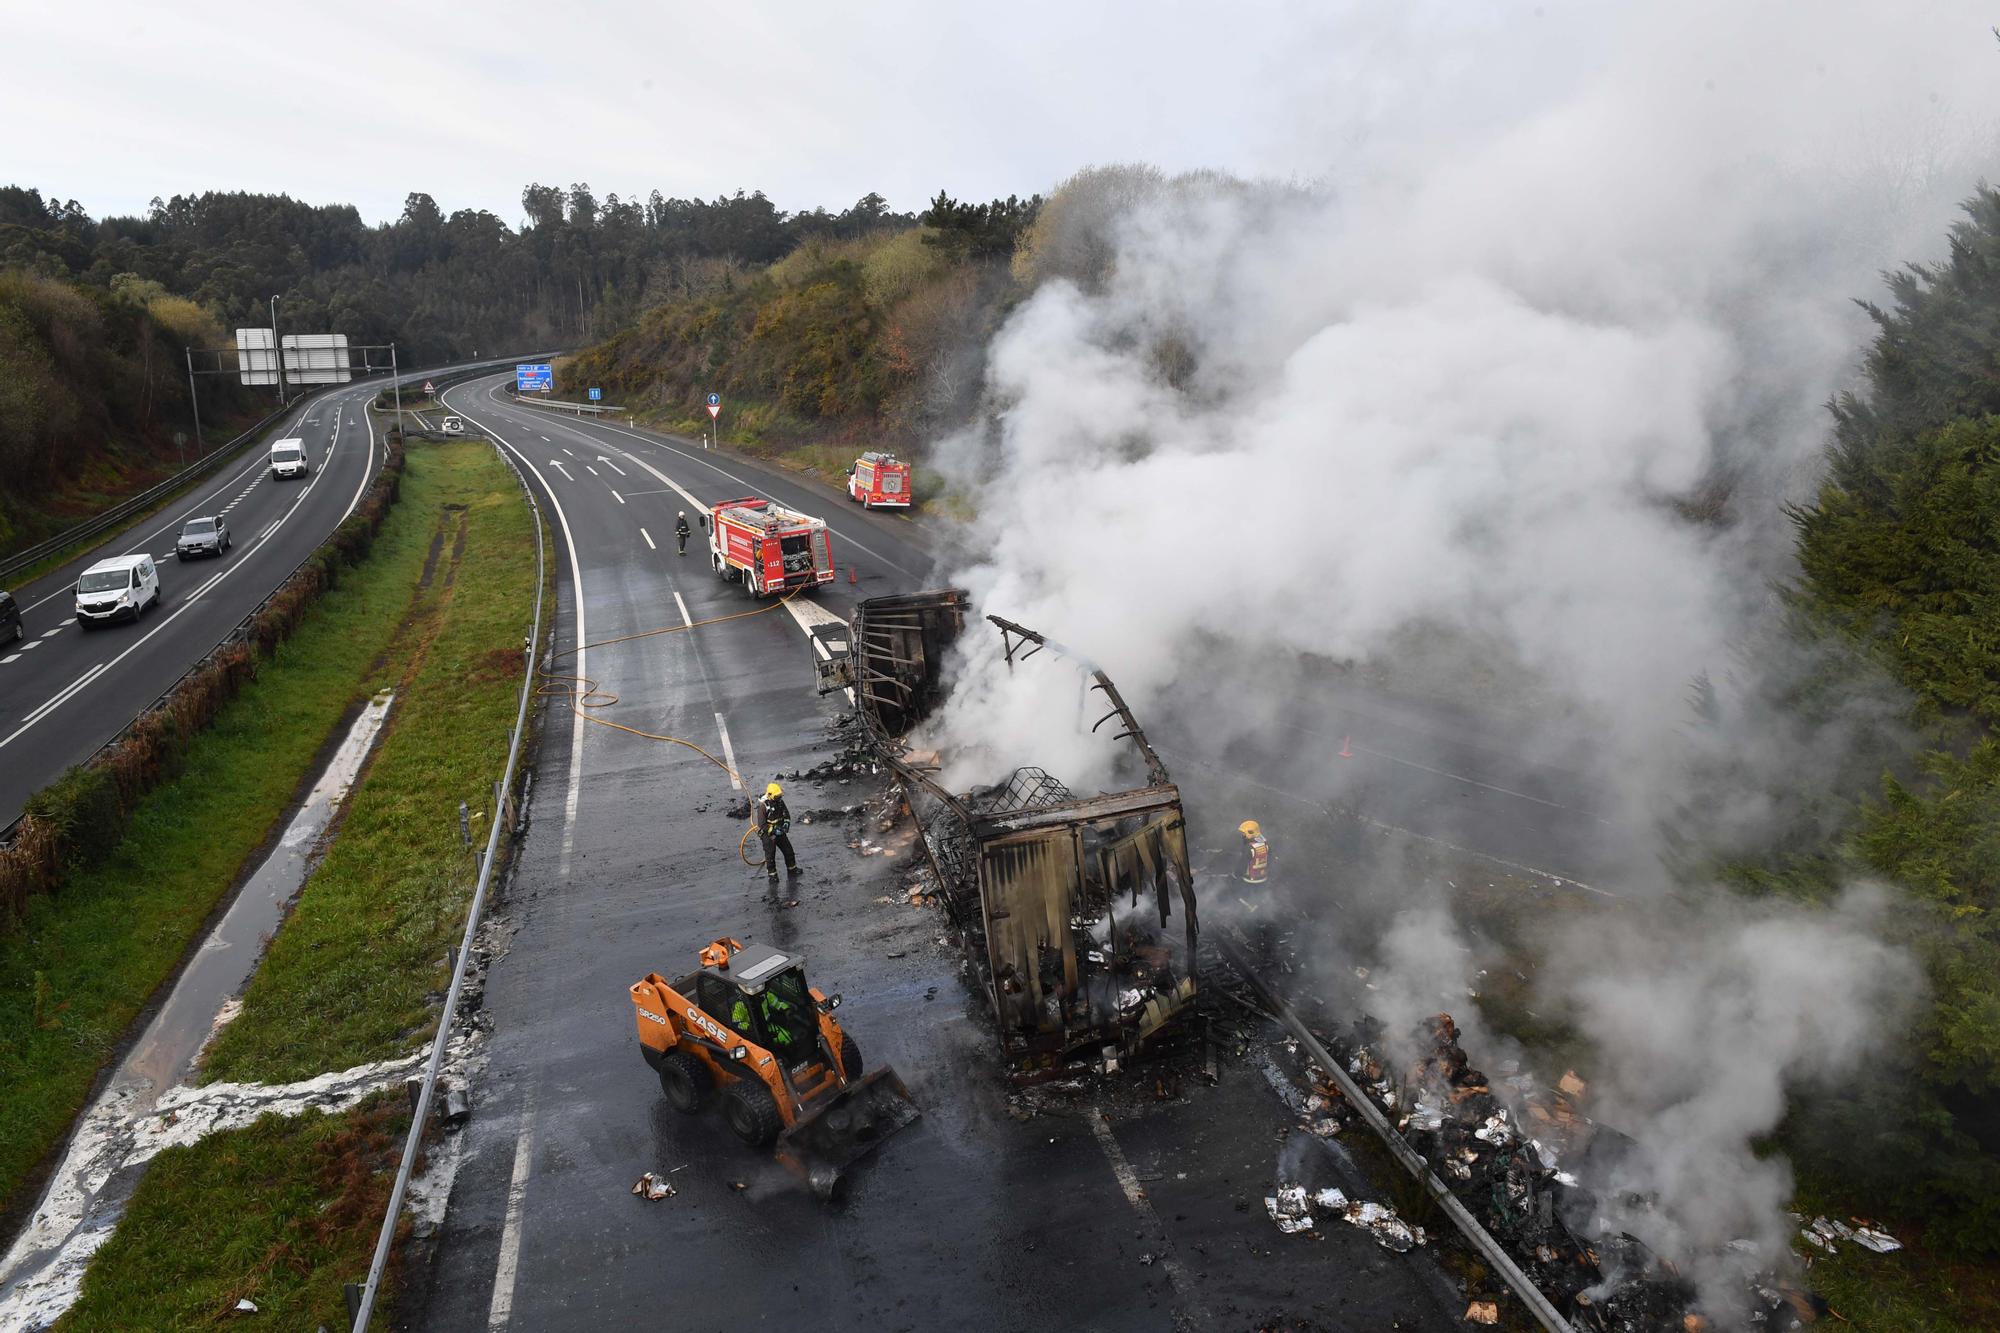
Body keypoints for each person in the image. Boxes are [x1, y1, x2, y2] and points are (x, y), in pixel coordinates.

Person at [759, 781, 801, 881]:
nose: (779, 798)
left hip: (780, 831)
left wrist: (786, 824)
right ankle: (772, 875)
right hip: (768, 835)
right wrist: (773, 830)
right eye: (777, 796)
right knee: (770, 855)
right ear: (770, 795)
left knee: (789, 851)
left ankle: (792, 869)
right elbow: (762, 825)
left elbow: (786, 815)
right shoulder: (763, 806)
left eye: (779, 796)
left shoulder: (780, 802)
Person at [1238, 819, 1269, 885]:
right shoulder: (1265, 845)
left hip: (1249, 880)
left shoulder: (1249, 848)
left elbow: (1242, 865)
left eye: (1244, 833)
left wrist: (1236, 875)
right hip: (1263, 878)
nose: (1243, 835)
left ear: (1250, 833)